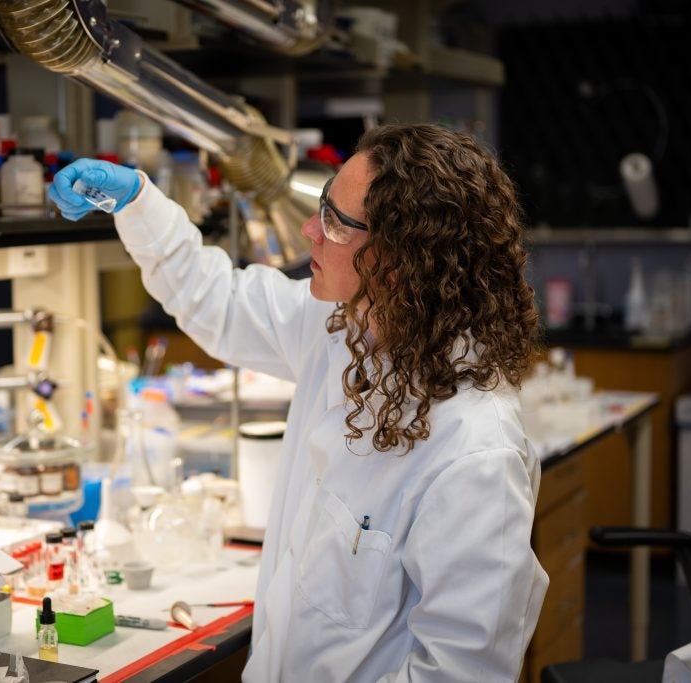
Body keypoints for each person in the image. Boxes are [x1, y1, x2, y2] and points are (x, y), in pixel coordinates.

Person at [49, 123, 548, 682]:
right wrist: (138, 202)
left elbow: (463, 673)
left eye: (336, 222)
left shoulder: (475, 452)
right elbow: (221, 302)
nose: (311, 229)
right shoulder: (342, 327)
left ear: (404, 257)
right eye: (322, 204)